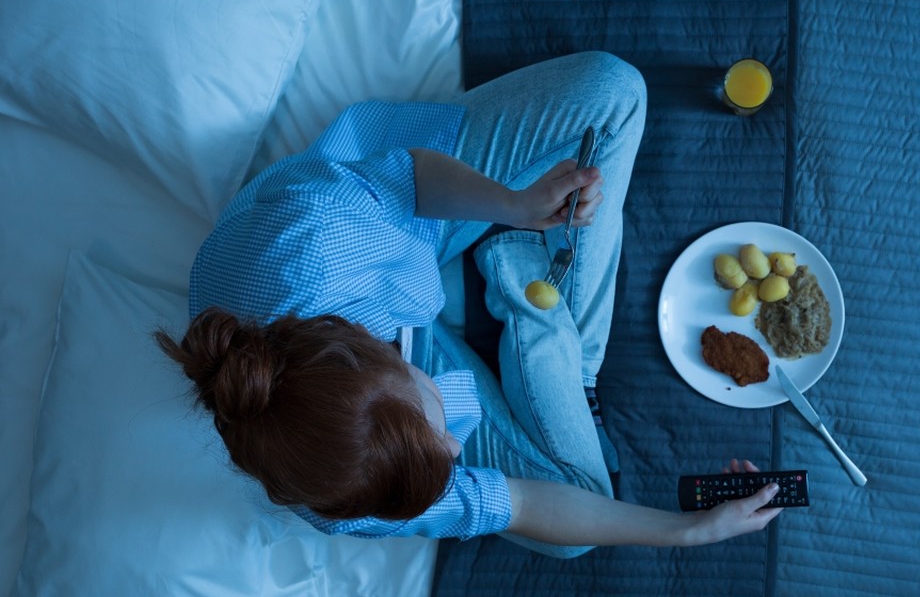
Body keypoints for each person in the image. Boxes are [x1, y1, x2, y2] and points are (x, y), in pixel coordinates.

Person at [155, 52, 781, 558]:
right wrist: (690, 530)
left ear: (379, 350)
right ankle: (555, 339)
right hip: (390, 338)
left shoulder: (314, 241)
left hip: (400, 223)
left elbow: (411, 179)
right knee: (579, 526)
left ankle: (524, 275)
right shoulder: (344, 493)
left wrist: (513, 204)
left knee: (614, 90)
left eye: (439, 430)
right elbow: (523, 504)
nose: (458, 452)